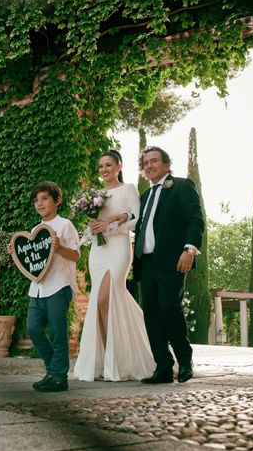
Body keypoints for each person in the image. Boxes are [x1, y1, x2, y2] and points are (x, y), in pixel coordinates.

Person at [74, 150, 155, 381]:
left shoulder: (128, 188)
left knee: (105, 297)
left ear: (119, 166)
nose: (104, 170)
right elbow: (92, 226)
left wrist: (112, 225)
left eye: (108, 165)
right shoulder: (95, 195)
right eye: (100, 166)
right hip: (98, 251)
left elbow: (137, 219)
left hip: (119, 247)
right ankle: (108, 358)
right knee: (101, 302)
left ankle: (116, 357)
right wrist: (94, 228)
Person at [133, 146, 204, 384]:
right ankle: (162, 367)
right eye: (145, 162)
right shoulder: (143, 197)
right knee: (151, 314)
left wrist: (189, 249)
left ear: (166, 164)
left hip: (173, 261)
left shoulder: (182, 186)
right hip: (147, 262)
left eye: (154, 161)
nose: (149, 165)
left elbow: (195, 219)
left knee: (169, 308)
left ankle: (185, 362)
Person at [22, 181, 80, 392]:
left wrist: (59, 247)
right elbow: (31, 260)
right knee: (33, 328)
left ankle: (59, 377)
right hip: (37, 287)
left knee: (57, 332)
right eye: (36, 200)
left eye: (45, 198)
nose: (40, 203)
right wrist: (17, 252)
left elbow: (75, 255)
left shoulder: (65, 225)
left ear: (57, 200)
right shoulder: (36, 229)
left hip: (58, 285)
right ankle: (52, 369)